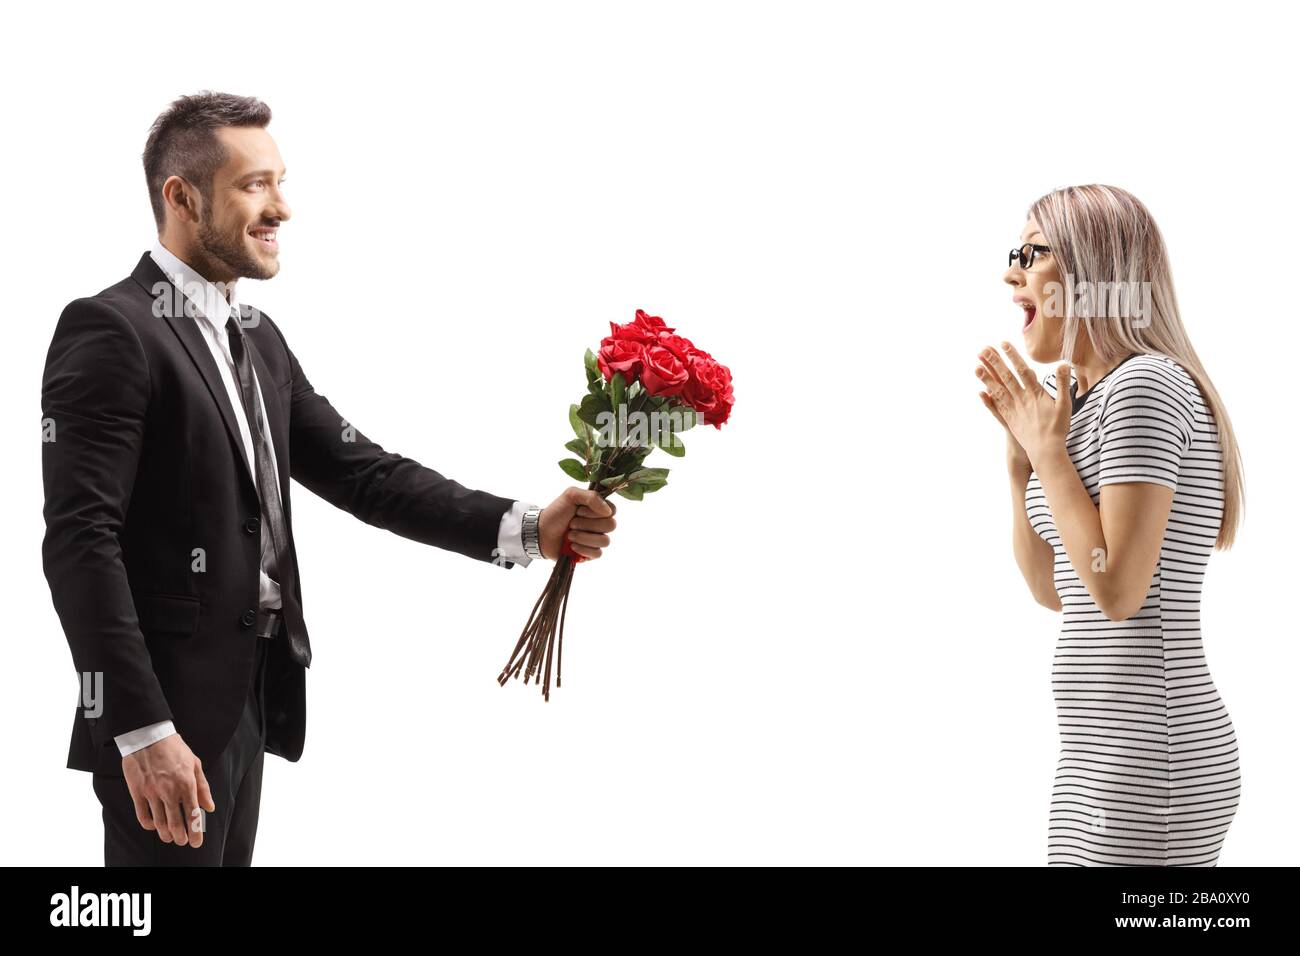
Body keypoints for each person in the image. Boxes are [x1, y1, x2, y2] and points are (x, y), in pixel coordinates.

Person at [40, 91, 617, 865]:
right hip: (164, 716)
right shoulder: (113, 330)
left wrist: (524, 527)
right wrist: (140, 729)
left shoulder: (256, 337)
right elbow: (82, 540)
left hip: (248, 698)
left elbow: (363, 474)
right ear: (181, 197)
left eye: (280, 181)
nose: (282, 207)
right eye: (254, 185)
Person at [976, 184, 1243, 866]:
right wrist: (1021, 468)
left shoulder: (1146, 385)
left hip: (1153, 757)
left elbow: (1119, 591)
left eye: (1032, 254)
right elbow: (1054, 589)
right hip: (1096, 756)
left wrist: (1048, 456)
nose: (1011, 273)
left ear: (1093, 272)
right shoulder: (1085, 403)